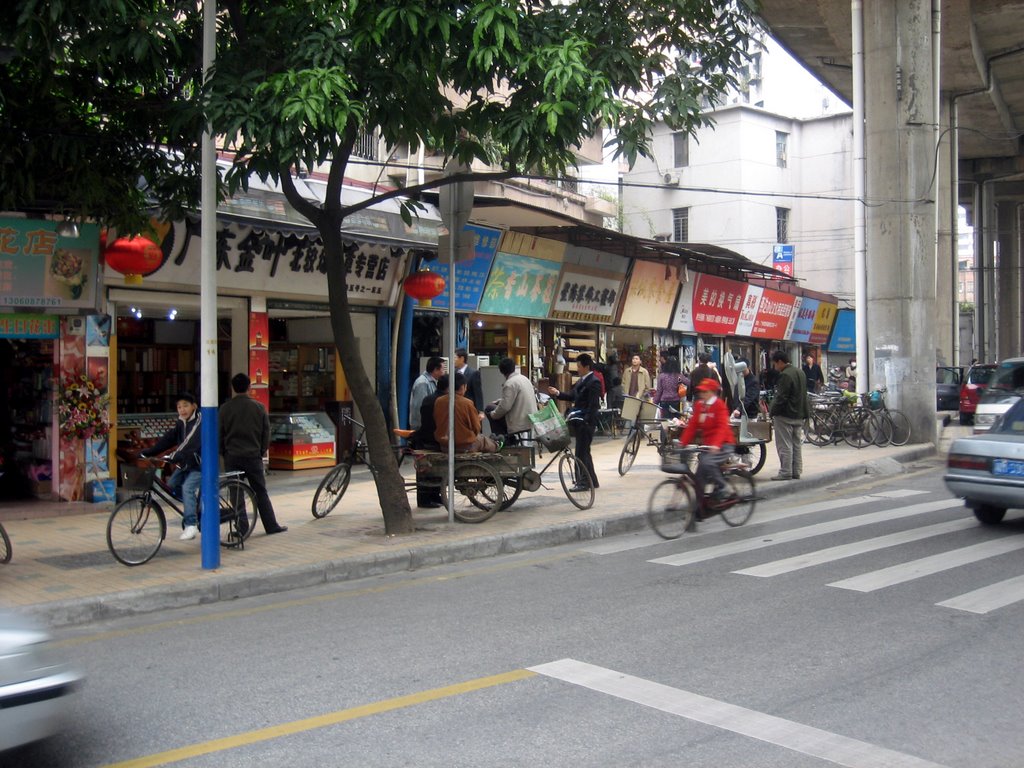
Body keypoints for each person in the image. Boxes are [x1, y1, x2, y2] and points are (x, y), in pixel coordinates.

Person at [219, 373, 287, 534]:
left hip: (232, 456)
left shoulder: (225, 409)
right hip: (253, 455)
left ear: (233, 388)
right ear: (249, 387)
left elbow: (219, 434)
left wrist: (224, 452)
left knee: (236, 492)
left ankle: (242, 527)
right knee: (260, 491)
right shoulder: (258, 407)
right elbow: (266, 433)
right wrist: (261, 450)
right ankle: (271, 525)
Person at [140, 393, 202, 541]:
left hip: (201, 464)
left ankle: (191, 524)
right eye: (179, 407)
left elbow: (190, 441)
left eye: (186, 405)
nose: (182, 410)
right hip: (185, 463)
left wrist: (175, 455)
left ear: (194, 406)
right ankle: (193, 506)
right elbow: (169, 438)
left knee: (187, 488)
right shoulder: (181, 422)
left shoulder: (200, 420)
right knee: (172, 485)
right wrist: (149, 452)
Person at [548, 352, 601, 490]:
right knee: (585, 451)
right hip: (579, 420)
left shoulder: (594, 382)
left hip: (585, 422)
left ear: (586, 366)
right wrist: (558, 393)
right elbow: (572, 396)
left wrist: (587, 421)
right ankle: (592, 480)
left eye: (579, 366)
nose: (577, 369)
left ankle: (583, 482)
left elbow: (593, 405)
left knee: (580, 453)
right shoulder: (581, 380)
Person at [678, 377, 736, 503]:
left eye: (705, 392)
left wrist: (716, 445)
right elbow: (692, 426)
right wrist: (682, 443)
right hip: (708, 446)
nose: (702, 394)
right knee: (699, 477)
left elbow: (722, 427)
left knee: (707, 463)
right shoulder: (699, 406)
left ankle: (724, 487)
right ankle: (698, 510)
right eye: (701, 392)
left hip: (724, 445)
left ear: (712, 392)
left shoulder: (719, 405)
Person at [768, 350, 810, 481]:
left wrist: (772, 411)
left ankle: (786, 471)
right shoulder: (800, 372)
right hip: (799, 414)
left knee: (785, 444)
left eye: (775, 364)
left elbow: (781, 397)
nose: (775, 367)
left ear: (780, 362)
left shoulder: (785, 375)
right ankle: (796, 470)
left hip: (786, 415)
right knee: (796, 444)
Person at [410, 374, 449, 508]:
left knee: (429, 470)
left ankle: (433, 496)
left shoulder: (430, 398)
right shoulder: (443, 401)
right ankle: (427, 499)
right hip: (433, 439)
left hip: (425, 436)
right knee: (427, 470)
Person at [435, 372, 498, 453]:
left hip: (444, 445)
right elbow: (476, 427)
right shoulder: (467, 403)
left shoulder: (438, 401)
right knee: (484, 441)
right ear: (462, 387)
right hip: (465, 445)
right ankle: (497, 444)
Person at [486, 357, 538, 443]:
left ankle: (503, 441)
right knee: (494, 408)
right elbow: (516, 398)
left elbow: (505, 407)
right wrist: (499, 401)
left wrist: (492, 415)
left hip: (519, 422)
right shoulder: (524, 378)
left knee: (489, 409)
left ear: (501, 371)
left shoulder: (509, 384)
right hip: (530, 419)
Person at [410, 356, 444, 430]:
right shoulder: (422, 383)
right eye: (442, 369)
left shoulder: (433, 382)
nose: (443, 372)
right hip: (422, 426)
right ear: (435, 370)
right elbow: (420, 406)